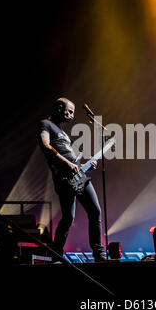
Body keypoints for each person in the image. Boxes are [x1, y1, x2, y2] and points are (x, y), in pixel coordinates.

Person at [37, 97, 107, 262]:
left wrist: (85, 163)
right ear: (60, 108)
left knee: (95, 211)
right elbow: (45, 146)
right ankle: (56, 254)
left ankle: (99, 253)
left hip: (79, 176)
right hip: (64, 178)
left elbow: (72, 158)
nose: (71, 115)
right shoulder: (45, 125)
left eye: (73, 112)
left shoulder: (64, 133)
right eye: (70, 111)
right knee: (68, 217)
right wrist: (67, 163)